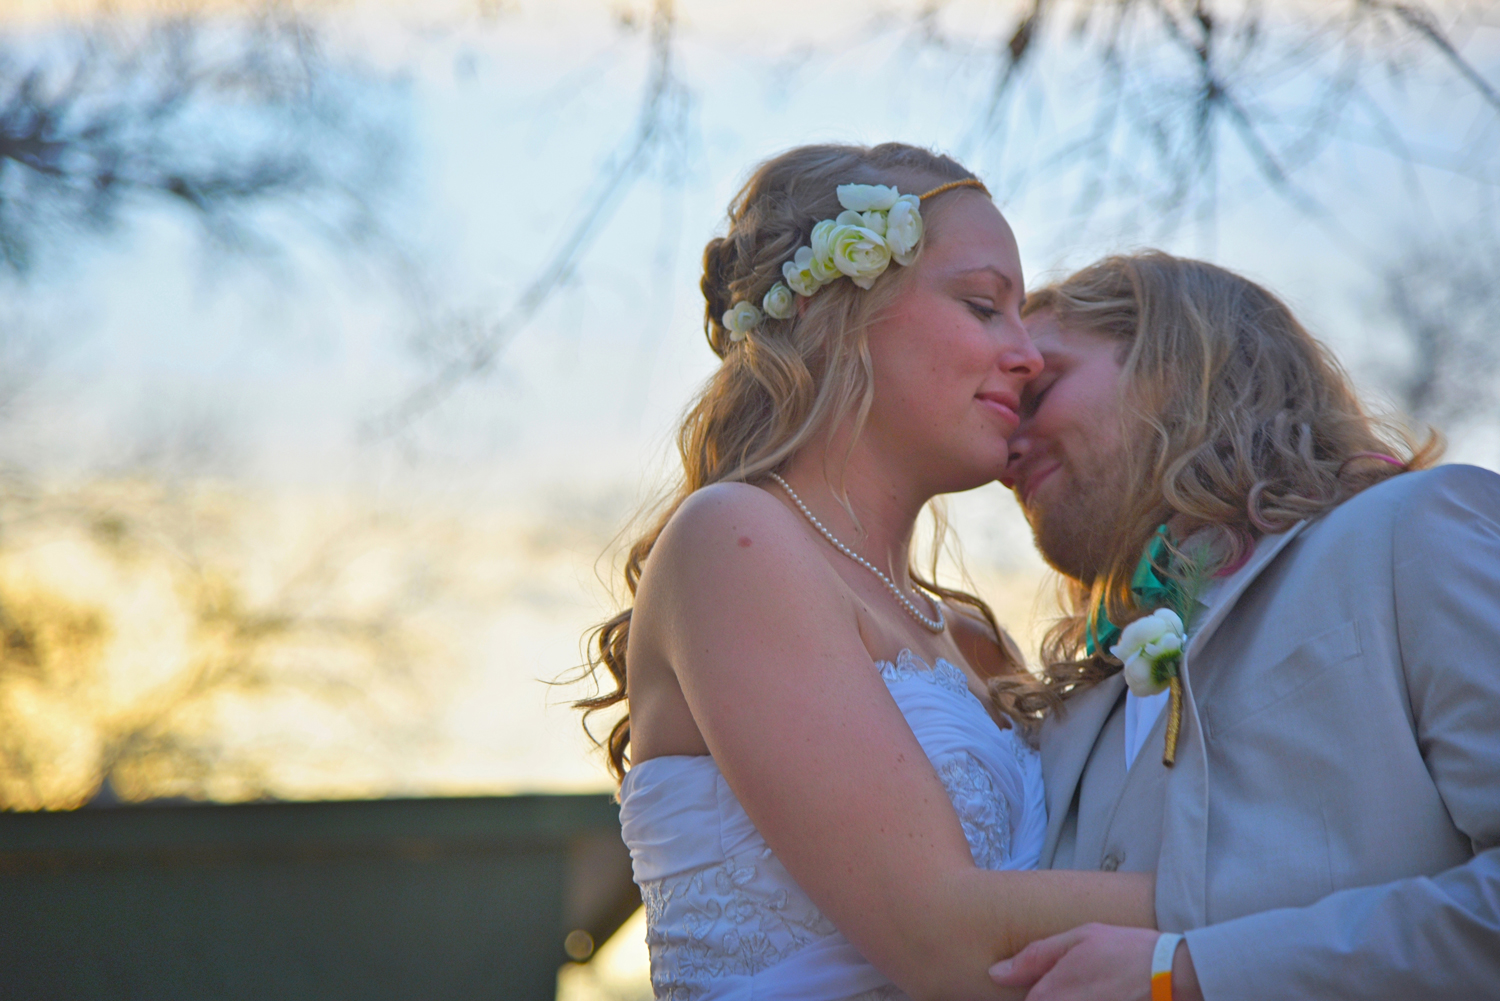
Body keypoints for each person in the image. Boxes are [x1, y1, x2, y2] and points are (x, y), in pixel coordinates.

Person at [576, 143, 1157, 1000]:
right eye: (982, 305)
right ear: (840, 314)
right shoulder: (734, 542)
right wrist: (1306, 892)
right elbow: (943, 936)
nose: (1027, 354)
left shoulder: (973, 640)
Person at [987, 252, 1500, 1000]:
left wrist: (1186, 973)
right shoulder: (1074, 714)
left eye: (1040, 388)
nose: (1006, 448)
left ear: (1178, 362)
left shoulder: (1415, 531)